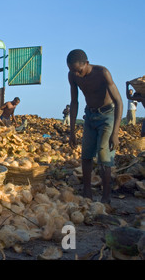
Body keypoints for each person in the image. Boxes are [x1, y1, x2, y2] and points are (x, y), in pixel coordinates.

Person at [67, 49, 123, 204]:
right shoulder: (72, 76)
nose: (76, 74)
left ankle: (106, 197)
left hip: (107, 115)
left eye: (79, 71)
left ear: (86, 63)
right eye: (72, 71)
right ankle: (87, 193)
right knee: (86, 154)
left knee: (104, 155)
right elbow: (74, 102)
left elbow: (118, 102)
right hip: (90, 116)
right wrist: (72, 132)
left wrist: (115, 133)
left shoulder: (102, 73)